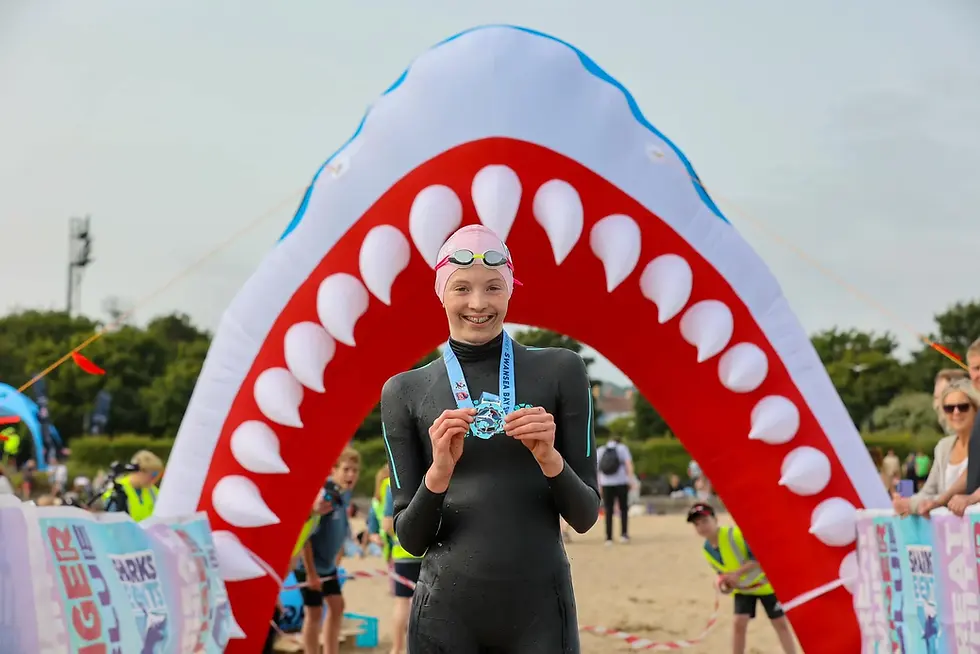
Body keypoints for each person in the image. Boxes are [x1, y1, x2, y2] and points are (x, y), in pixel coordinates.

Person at [381, 224, 600, 653]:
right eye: (461, 288)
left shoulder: (561, 371)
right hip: (445, 616)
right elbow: (409, 537)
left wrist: (550, 458)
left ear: (510, 292)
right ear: (441, 292)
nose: (478, 304)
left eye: (493, 288)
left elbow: (586, 515)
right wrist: (439, 472)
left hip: (541, 615)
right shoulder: (403, 391)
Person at [687, 503, 796, 654]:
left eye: (705, 521)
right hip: (743, 589)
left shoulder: (735, 534)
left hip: (766, 585)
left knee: (779, 623)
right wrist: (724, 584)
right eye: (697, 524)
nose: (701, 527)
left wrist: (738, 573)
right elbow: (722, 573)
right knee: (739, 624)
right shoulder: (707, 549)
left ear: (715, 519)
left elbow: (760, 557)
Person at [294, 447, 360, 654]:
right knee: (313, 613)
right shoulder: (326, 497)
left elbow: (340, 531)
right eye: (346, 469)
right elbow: (305, 537)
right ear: (333, 470)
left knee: (337, 606)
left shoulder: (343, 495)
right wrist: (311, 573)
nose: (351, 475)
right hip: (308, 565)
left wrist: (337, 559)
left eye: (355, 470)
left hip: (328, 565)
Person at [895, 379, 976, 516]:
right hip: (949, 532)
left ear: (976, 408)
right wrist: (907, 503)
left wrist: (933, 502)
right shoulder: (943, 447)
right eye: (949, 408)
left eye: (963, 406)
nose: (956, 412)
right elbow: (928, 492)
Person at [382, 473, 421, 654]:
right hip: (426, 552)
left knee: (402, 603)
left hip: (402, 552)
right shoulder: (428, 473)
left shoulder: (392, 483)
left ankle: (397, 648)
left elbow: (387, 525)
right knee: (421, 605)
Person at [100, 450, 163, 521]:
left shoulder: (153, 491)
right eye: (153, 474)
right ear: (139, 471)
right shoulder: (117, 488)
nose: (154, 479)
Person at [596, 435, 635, 545]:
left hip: (606, 483)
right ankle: (624, 534)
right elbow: (628, 464)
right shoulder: (622, 448)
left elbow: (597, 469)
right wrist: (631, 480)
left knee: (608, 510)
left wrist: (599, 485)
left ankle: (608, 537)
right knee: (623, 509)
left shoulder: (601, 450)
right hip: (621, 482)